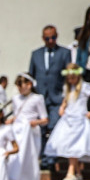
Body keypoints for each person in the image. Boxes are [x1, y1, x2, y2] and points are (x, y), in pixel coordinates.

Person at [43, 65, 90, 180]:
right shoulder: (67, 88)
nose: (70, 80)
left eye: (72, 77)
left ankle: (70, 172)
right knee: (70, 146)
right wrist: (62, 107)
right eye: (68, 78)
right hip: (68, 120)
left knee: (74, 146)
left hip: (79, 120)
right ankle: (77, 173)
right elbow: (66, 100)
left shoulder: (85, 86)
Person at [29, 24, 74, 169]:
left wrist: (67, 96)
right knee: (41, 129)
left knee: (54, 126)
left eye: (53, 37)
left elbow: (69, 76)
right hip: (40, 98)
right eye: (47, 38)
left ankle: (51, 157)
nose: (50, 40)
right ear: (43, 38)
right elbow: (31, 76)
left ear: (57, 36)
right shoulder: (36, 54)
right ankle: (44, 157)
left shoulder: (65, 52)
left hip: (56, 98)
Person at [6, 74, 49, 180]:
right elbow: (16, 115)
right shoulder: (15, 99)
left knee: (32, 162)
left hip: (31, 134)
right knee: (16, 161)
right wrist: (11, 120)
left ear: (29, 85)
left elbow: (45, 119)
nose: (19, 88)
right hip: (18, 132)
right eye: (18, 85)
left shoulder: (37, 98)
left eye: (21, 85)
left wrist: (34, 123)